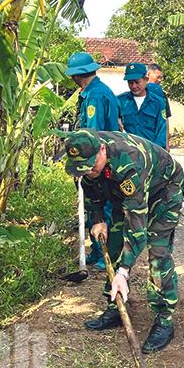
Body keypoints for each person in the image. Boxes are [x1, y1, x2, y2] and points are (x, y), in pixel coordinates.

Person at [58, 129, 184, 353]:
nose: (87, 171)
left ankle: (164, 319)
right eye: (82, 168)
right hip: (124, 193)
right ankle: (116, 305)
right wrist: (97, 218)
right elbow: (90, 190)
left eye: (91, 166)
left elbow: (137, 231)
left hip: (164, 190)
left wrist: (124, 272)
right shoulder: (87, 153)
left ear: (102, 150)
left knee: (157, 251)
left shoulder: (130, 164)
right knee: (115, 242)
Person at [65, 51, 120, 271]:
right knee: (95, 203)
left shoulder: (96, 96)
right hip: (97, 157)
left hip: (98, 160)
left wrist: (85, 165)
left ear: (77, 76)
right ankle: (98, 251)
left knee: (100, 202)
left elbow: (92, 136)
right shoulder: (92, 92)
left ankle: (102, 253)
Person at [118, 62, 169, 149]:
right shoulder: (120, 101)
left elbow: (161, 130)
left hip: (150, 152)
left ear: (146, 79)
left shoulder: (157, 102)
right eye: (130, 83)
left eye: (137, 82)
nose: (134, 86)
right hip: (127, 153)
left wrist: (157, 153)